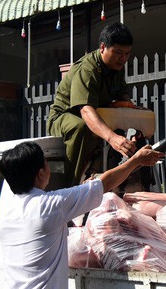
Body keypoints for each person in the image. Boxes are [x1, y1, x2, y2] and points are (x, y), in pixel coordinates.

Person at [0, 141, 164, 289]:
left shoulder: (6, 214)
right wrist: (136, 161)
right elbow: (105, 183)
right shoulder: (48, 207)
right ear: (39, 174)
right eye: (47, 164)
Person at [47, 21, 141, 186]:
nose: (123, 58)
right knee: (80, 126)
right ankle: (70, 187)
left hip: (95, 118)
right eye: (118, 52)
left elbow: (122, 96)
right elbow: (86, 111)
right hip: (63, 119)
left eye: (127, 53)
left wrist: (133, 115)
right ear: (103, 47)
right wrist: (112, 138)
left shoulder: (117, 68)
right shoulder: (88, 69)